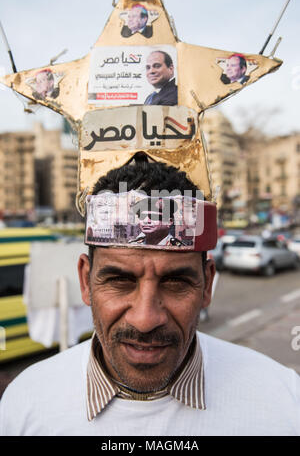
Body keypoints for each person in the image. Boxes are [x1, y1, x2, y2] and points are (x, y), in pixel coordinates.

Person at [1, 158, 300, 436]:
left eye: (175, 282)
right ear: (85, 280)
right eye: (119, 280)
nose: (145, 320)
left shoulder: (282, 403)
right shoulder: (26, 404)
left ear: (207, 284)